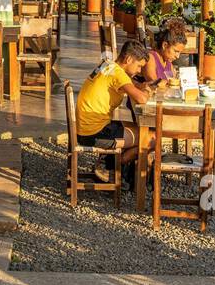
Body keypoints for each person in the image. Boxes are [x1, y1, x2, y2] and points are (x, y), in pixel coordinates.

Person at [75, 39, 151, 188]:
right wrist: (148, 90)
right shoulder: (118, 74)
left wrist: (139, 85)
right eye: (139, 66)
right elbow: (141, 98)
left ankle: (113, 165)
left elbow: (128, 84)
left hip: (86, 127)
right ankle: (109, 166)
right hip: (94, 133)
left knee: (141, 130)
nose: (139, 71)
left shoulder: (107, 65)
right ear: (128, 59)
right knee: (151, 138)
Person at [144, 19, 189, 88]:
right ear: (164, 45)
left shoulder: (169, 64)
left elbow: (173, 83)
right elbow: (154, 82)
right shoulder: (151, 58)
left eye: (180, 53)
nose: (178, 56)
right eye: (176, 51)